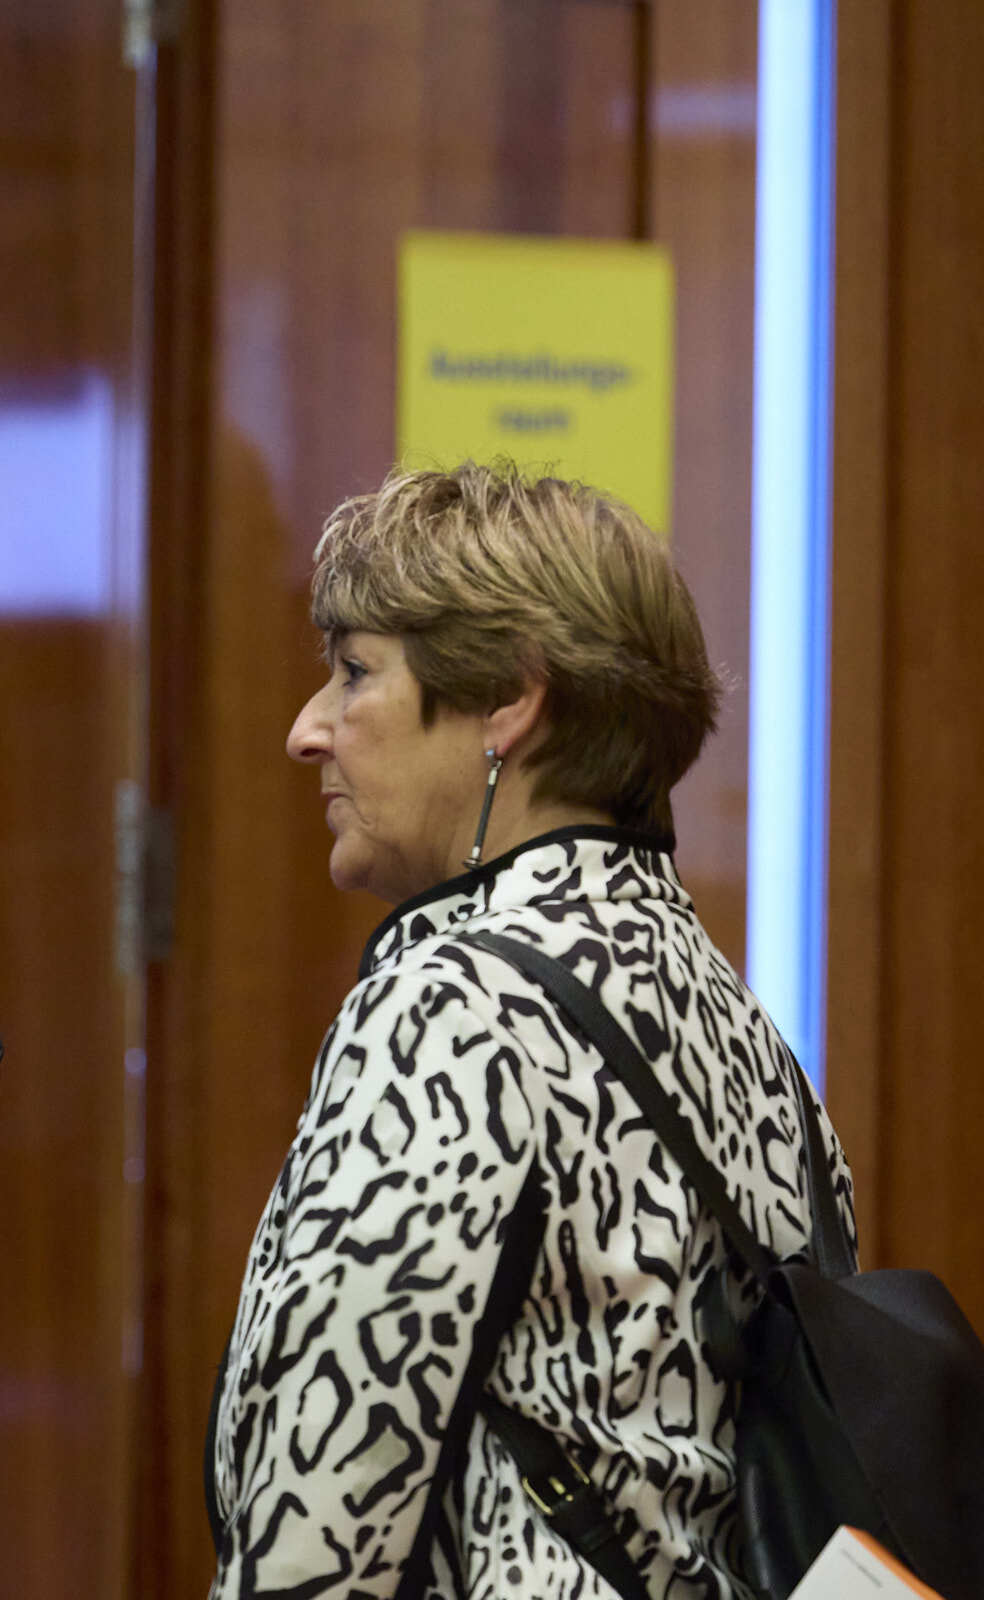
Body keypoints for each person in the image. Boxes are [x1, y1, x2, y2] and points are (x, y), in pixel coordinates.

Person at [204, 462, 856, 1596]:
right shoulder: (756, 1047)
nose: (308, 730)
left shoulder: (453, 1011)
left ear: (509, 696)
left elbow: (326, 1511)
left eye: (355, 672)